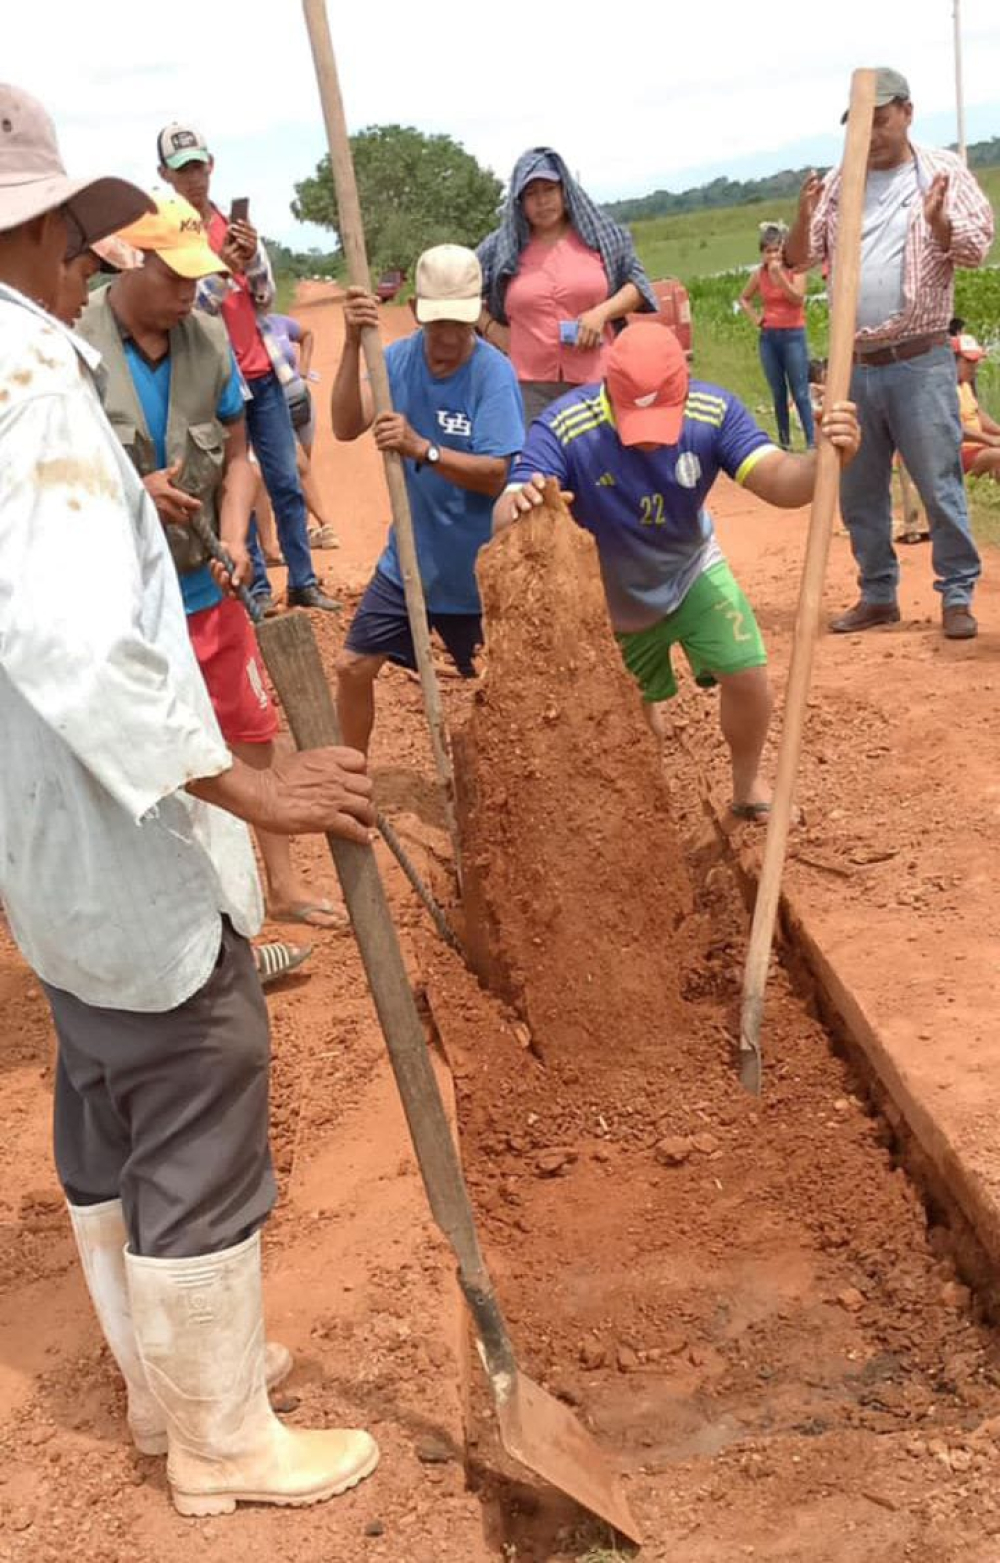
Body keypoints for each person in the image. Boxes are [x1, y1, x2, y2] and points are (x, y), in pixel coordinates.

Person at [0, 85, 378, 1515]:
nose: (84, 265)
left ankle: (170, 1391)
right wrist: (256, 785)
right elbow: (80, 641)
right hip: (117, 832)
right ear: (37, 229)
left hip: (39, 837)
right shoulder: (32, 381)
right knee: (200, 1076)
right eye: (71, 240)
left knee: (100, 1094)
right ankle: (224, 1437)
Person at [75, 192, 346, 934]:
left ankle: (283, 885)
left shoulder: (207, 340)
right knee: (154, 743)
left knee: (250, 728)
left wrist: (233, 535)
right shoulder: (75, 343)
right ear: (132, 263)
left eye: (196, 279)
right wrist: (132, 492)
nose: (188, 294)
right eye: (172, 278)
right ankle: (185, 913)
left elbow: (238, 454)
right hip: (125, 597)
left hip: (207, 580)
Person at [493, 325, 860, 820]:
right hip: (612, 598)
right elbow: (506, 508)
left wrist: (822, 463)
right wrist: (524, 504)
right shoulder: (564, 426)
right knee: (632, 717)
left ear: (684, 387)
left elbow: (778, 480)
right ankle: (649, 809)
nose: (647, 442)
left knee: (748, 674)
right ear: (608, 391)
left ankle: (748, 785)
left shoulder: (714, 412)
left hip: (691, 570)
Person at [785, 67, 994, 640]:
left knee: (938, 480)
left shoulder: (942, 172)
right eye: (859, 124)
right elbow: (799, 261)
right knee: (858, 487)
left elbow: (977, 247)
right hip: (855, 361)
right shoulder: (836, 183)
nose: (870, 134)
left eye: (879, 120)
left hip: (919, 361)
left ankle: (956, 594)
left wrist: (940, 224)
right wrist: (803, 217)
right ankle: (878, 592)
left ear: (906, 111)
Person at [331, 244, 524, 752]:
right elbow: (345, 424)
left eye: (459, 324)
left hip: (478, 572)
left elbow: (495, 475)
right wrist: (352, 345)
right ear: (416, 310)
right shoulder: (393, 360)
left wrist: (424, 448)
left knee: (504, 691)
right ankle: (350, 778)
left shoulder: (492, 375)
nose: (448, 337)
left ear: (476, 316)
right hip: (412, 563)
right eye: (437, 322)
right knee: (353, 668)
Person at [156, 122, 338, 615]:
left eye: (198, 166)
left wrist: (250, 256)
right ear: (164, 176)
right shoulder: (170, 239)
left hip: (261, 371)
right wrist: (218, 268)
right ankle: (255, 592)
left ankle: (302, 581)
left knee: (285, 480)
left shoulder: (224, 224)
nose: (194, 178)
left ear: (210, 166)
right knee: (237, 485)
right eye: (182, 170)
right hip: (217, 382)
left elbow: (264, 299)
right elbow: (187, 316)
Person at [477, 146, 658, 423]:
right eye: (531, 193)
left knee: (598, 461)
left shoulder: (600, 236)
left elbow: (636, 284)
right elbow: (458, 289)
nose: (541, 201)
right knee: (539, 463)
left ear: (565, 191)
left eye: (548, 189)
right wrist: (493, 329)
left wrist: (602, 313)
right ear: (519, 202)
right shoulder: (500, 246)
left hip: (598, 379)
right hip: (528, 386)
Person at [738, 222, 815, 450]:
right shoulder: (758, 274)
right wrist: (756, 319)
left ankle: (811, 442)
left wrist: (780, 277)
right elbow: (744, 298)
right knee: (778, 392)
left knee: (800, 391)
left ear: (783, 250)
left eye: (776, 250)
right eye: (767, 251)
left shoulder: (795, 269)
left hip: (793, 334)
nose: (772, 256)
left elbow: (798, 298)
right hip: (769, 337)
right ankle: (784, 441)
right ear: (762, 253)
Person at [268, 309, 340, 547]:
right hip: (273, 409)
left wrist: (304, 367)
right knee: (299, 466)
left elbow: (308, 334)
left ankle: (302, 530)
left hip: (301, 401)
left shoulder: (279, 322)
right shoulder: (242, 331)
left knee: (304, 467)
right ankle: (326, 524)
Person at [954, 333, 1000, 481]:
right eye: (968, 361)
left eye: (976, 361)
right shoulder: (943, 390)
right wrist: (990, 440)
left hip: (977, 447)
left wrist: (998, 431)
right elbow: (953, 426)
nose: (974, 366)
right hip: (957, 453)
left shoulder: (965, 385)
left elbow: (977, 413)